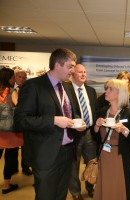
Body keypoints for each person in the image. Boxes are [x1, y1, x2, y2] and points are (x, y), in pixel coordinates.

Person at [14, 48, 84, 200]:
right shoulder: (33, 86)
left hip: (67, 153)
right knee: (46, 196)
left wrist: (78, 123)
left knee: (60, 195)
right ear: (57, 65)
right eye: (70, 66)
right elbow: (20, 120)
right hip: (45, 154)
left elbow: (72, 113)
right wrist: (53, 120)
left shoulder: (66, 87)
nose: (73, 70)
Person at [93, 79, 130, 200]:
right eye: (106, 88)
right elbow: (96, 137)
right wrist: (96, 126)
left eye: (110, 89)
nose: (106, 92)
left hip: (119, 157)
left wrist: (124, 130)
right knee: (105, 185)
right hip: (104, 155)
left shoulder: (129, 114)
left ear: (120, 93)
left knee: (118, 187)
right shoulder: (103, 111)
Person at [67, 64, 99, 200]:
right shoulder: (66, 90)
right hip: (73, 133)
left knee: (91, 162)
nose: (83, 74)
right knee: (73, 164)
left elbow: (95, 111)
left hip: (90, 133)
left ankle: (90, 186)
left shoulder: (91, 91)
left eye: (85, 72)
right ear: (73, 73)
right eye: (80, 72)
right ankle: (75, 192)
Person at [0, 67, 23, 194]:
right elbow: (19, 106)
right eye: (13, 77)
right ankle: (6, 186)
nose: (14, 79)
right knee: (10, 158)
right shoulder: (12, 91)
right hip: (9, 131)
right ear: (9, 78)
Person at [11, 69, 33, 176]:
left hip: (26, 122)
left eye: (24, 77)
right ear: (15, 78)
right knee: (13, 147)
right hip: (13, 123)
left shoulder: (30, 89)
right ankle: (13, 168)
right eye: (19, 77)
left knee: (26, 146)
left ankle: (25, 167)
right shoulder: (10, 90)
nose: (22, 79)